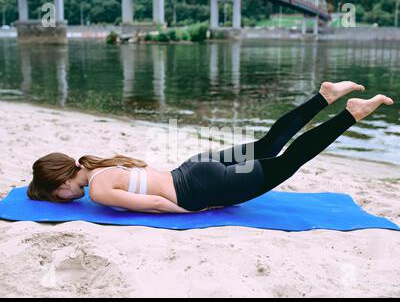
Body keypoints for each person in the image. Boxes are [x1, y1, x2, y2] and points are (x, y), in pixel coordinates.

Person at [27, 81, 394, 213]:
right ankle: (322, 96)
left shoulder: (100, 191)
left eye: (53, 195)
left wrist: (191, 212)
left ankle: (351, 114)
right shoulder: (101, 164)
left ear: (60, 185)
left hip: (205, 187)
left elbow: (156, 203)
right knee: (270, 143)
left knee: (290, 160)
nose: (61, 199)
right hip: (195, 166)